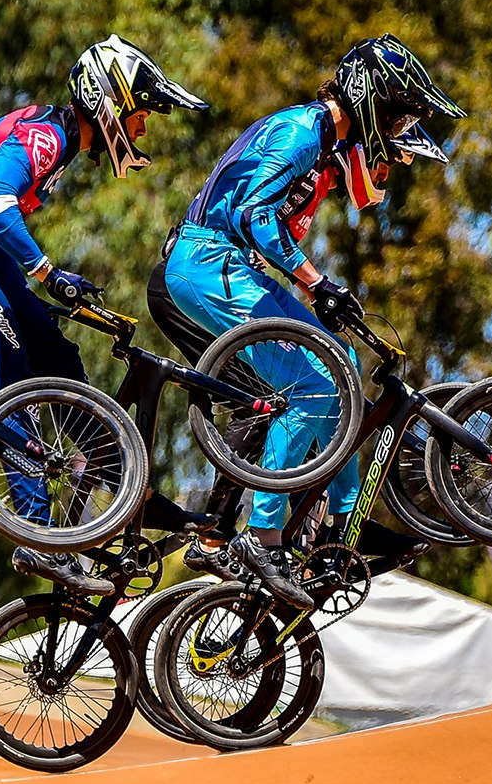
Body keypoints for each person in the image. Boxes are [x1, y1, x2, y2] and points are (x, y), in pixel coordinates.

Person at [148, 34, 465, 607]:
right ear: (370, 98)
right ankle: (260, 535)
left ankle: (344, 523)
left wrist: (319, 291)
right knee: (313, 391)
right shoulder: (302, 131)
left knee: (341, 364)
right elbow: (252, 214)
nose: (394, 134)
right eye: (395, 117)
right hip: (204, 263)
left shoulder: (323, 143)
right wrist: (316, 282)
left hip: (227, 264)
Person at [0, 34, 212, 595]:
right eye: (139, 116)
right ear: (111, 103)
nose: (140, 130)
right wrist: (47, 272)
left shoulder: (61, 141)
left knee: (59, 355)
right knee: (11, 372)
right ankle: (39, 537)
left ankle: (116, 485)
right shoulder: (46, 135)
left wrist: (48, 283)